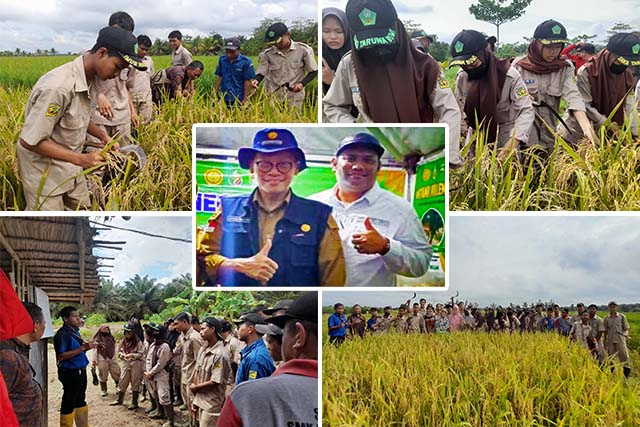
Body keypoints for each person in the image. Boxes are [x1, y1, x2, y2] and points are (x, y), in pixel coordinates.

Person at [16, 26, 146, 211]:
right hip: (45, 173)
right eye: (117, 67)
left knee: (83, 212)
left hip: (71, 167)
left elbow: (78, 117)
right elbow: (30, 140)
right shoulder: (58, 87)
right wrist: (81, 159)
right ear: (102, 53)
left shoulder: (92, 80)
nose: (117, 75)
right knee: (52, 227)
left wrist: (103, 136)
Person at [198, 128, 346, 286]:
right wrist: (233, 265)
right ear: (251, 167)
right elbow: (203, 257)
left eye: (283, 165)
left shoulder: (319, 215)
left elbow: (333, 278)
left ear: (296, 168)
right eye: (264, 164)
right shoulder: (227, 208)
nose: (274, 172)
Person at [323, 0, 462, 167]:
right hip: (378, 151)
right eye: (367, 41)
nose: (375, 47)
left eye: (381, 39)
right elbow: (333, 105)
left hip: (426, 153)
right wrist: (357, 129)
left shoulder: (425, 65)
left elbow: (449, 110)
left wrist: (446, 156)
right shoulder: (350, 65)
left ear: (397, 28)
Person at [311, 133, 431, 286]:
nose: (358, 166)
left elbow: (421, 264)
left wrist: (386, 247)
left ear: (378, 167)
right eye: (350, 158)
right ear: (334, 164)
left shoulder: (400, 209)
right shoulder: (313, 204)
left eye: (368, 160)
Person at [218, 292, 318, 426]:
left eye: (284, 330)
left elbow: (255, 397)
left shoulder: (247, 395)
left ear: (299, 337)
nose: (270, 342)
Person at [513, 20, 596, 155]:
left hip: (549, 133)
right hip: (524, 133)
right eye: (548, 46)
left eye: (558, 47)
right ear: (536, 43)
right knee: (524, 166)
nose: (554, 51)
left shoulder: (564, 68)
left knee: (547, 166)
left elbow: (574, 97)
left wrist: (587, 128)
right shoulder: (519, 67)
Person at [450, 29, 535, 160]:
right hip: (475, 136)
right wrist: (464, 130)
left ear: (484, 54)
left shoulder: (509, 76)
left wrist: (513, 142)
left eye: (473, 63)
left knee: (505, 175)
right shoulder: (462, 76)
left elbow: (526, 110)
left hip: (505, 136)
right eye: (465, 65)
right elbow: (458, 108)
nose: (470, 69)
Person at [560, 33, 640, 144]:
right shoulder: (587, 71)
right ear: (609, 54)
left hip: (609, 137)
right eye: (619, 61)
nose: (622, 66)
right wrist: (609, 124)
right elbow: (585, 105)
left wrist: (635, 135)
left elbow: (630, 107)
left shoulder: (627, 75)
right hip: (578, 133)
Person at [89, 12, 139, 150]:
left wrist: (133, 112)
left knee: (123, 159)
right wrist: (98, 95)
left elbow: (127, 87)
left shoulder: (130, 59)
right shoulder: (92, 56)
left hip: (122, 117)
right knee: (98, 163)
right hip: (98, 118)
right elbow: (80, 85)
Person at [0, 302, 45, 427]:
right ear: (36, 325)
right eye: (44, 323)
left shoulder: (17, 350)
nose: (44, 327)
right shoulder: (7, 356)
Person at [255, 22, 318, 111]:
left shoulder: (303, 50)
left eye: (279, 41)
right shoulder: (267, 54)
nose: (277, 44)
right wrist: (256, 81)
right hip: (273, 95)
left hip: (294, 96)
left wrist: (301, 84)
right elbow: (261, 73)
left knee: (294, 120)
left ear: (288, 35)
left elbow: (314, 71)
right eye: (274, 43)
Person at [54, 306, 99, 427]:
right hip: (70, 372)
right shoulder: (62, 335)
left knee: (80, 399)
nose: (78, 319)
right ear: (65, 319)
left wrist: (88, 347)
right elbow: (61, 356)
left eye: (79, 317)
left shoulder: (75, 332)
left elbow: (78, 351)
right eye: (75, 317)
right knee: (69, 402)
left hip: (80, 371)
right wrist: (83, 348)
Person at [190, 317, 233, 427]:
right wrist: (195, 397)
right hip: (200, 398)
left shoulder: (220, 354)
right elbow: (197, 370)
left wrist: (196, 388)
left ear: (213, 329)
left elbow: (215, 381)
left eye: (203, 329)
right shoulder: (203, 349)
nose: (200, 332)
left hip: (211, 402)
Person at [174, 312, 204, 427]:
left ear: (185, 322)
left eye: (177, 324)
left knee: (193, 402)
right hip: (185, 374)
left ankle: (195, 424)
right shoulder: (183, 336)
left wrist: (196, 381)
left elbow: (199, 361)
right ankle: (191, 422)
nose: (175, 326)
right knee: (187, 402)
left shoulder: (194, 338)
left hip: (192, 377)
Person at [234, 312, 276, 385]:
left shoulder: (256, 358)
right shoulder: (252, 352)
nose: (237, 330)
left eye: (239, 327)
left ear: (250, 329)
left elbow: (253, 391)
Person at [144, 324, 174, 426]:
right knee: (155, 393)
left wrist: (150, 372)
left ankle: (170, 420)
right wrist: (148, 372)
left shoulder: (165, 346)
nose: (155, 333)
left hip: (161, 374)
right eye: (154, 331)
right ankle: (160, 412)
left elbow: (161, 364)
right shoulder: (153, 344)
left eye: (158, 331)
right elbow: (148, 359)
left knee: (164, 396)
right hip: (151, 375)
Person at [110, 323, 144, 409]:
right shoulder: (123, 341)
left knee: (135, 382)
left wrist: (132, 355)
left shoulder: (138, 342)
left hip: (136, 364)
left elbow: (141, 353)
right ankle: (119, 399)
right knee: (123, 380)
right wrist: (121, 355)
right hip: (125, 363)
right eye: (126, 332)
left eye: (129, 332)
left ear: (133, 332)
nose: (128, 334)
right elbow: (119, 351)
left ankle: (134, 402)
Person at [214, 38, 257, 106]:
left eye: (232, 52)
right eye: (227, 51)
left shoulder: (246, 62)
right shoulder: (222, 60)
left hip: (239, 98)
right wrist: (214, 94)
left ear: (238, 49)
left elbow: (247, 81)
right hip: (224, 97)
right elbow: (220, 77)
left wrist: (245, 99)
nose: (229, 54)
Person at [322, 8, 352, 99]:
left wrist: (333, 81)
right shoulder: (321, 55)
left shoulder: (357, 55)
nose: (333, 37)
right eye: (326, 31)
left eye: (339, 31)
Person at [129, 35, 155, 125]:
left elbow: (151, 77)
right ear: (136, 46)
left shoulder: (149, 60)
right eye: (142, 49)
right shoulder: (129, 60)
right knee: (132, 124)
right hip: (132, 99)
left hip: (146, 97)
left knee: (146, 123)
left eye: (146, 50)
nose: (144, 52)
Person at [603, 301, 631, 378]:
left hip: (620, 340)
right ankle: (611, 375)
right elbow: (605, 331)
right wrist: (604, 342)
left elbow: (626, 328)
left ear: (616, 307)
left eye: (614, 306)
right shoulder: (606, 318)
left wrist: (626, 334)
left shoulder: (622, 317)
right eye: (611, 306)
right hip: (610, 341)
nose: (612, 308)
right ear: (608, 308)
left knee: (624, 357)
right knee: (610, 358)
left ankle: (626, 377)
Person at [91, 325, 121, 397]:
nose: (106, 331)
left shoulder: (111, 338)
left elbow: (114, 347)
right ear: (100, 330)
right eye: (104, 329)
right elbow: (95, 350)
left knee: (116, 372)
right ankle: (103, 389)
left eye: (107, 329)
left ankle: (118, 387)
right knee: (103, 374)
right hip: (102, 359)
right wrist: (94, 361)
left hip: (112, 358)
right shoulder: (97, 339)